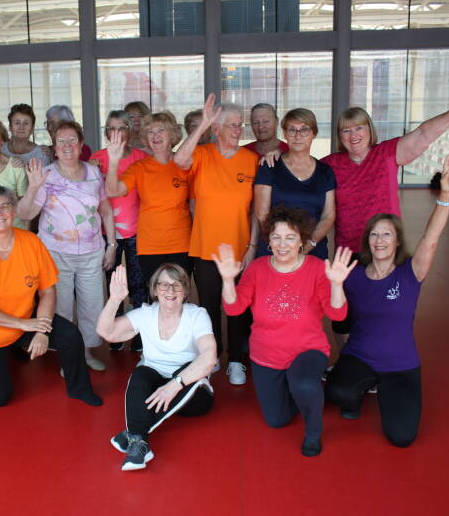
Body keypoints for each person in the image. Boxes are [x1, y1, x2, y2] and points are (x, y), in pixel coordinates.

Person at [325, 156, 449, 448]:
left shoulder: (410, 272)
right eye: (374, 235)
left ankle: (380, 386)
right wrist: (335, 283)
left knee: (402, 438)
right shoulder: (354, 275)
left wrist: (445, 197)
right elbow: (337, 315)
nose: (379, 240)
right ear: (367, 241)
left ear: (397, 241)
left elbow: (431, 238)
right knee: (336, 393)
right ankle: (360, 389)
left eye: (387, 234)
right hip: (360, 355)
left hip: (400, 364)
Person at [214, 206, 356, 456]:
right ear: (268, 241)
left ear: (301, 241)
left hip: (307, 350)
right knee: (276, 420)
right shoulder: (257, 268)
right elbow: (234, 309)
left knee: (304, 384)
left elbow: (337, 315)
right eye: (276, 237)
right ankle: (303, 393)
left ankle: (313, 430)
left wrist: (336, 285)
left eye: (290, 238)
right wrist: (227, 280)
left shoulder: (316, 268)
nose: (282, 245)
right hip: (266, 356)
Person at [0, 186, 102, 407]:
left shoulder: (32, 242)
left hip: (23, 317)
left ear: (14, 211)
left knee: (70, 335)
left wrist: (42, 330)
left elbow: (47, 291)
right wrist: (24, 325)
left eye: (5, 206)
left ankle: (79, 389)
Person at [322, 74, 449, 256]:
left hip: (386, 249)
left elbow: (423, 134)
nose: (353, 135)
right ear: (340, 136)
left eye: (359, 128)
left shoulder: (386, 153)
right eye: (346, 130)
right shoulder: (330, 164)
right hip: (348, 252)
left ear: (369, 129)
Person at [173, 94, 260, 385]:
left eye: (240, 124)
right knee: (209, 307)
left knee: (238, 308)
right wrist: (202, 126)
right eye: (232, 125)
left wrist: (252, 247)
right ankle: (211, 357)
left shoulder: (251, 160)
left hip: (239, 249)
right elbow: (179, 159)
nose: (238, 130)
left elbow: (255, 211)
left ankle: (236, 360)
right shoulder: (202, 154)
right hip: (205, 248)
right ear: (217, 128)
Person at [97, 264, 217, 471]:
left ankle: (133, 434)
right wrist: (114, 299)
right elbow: (106, 332)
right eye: (164, 285)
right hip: (157, 393)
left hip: (192, 397)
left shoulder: (197, 315)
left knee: (191, 371)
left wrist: (174, 385)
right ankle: (139, 444)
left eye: (177, 285)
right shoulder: (145, 314)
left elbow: (209, 358)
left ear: (185, 291)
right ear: (154, 290)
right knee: (140, 374)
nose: (170, 291)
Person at [18, 121, 117, 371]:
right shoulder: (46, 175)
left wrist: (112, 244)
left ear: (81, 144)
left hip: (91, 251)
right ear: (54, 147)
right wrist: (33, 187)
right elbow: (25, 213)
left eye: (72, 140)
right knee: (60, 308)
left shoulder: (94, 172)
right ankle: (68, 359)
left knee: (91, 306)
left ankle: (85, 354)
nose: (67, 145)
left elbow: (106, 210)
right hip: (55, 253)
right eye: (61, 141)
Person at [104, 111, 193, 283]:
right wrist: (113, 161)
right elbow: (112, 191)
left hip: (182, 243)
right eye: (150, 132)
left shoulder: (185, 163)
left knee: (179, 293)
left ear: (172, 134)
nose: (155, 136)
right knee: (155, 295)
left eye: (160, 130)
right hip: (150, 246)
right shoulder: (140, 167)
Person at [90, 110, 149, 351]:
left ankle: (138, 332)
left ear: (130, 131)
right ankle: (115, 330)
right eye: (112, 129)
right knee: (112, 283)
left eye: (122, 128)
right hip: (107, 232)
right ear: (106, 133)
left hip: (137, 229)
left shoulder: (141, 157)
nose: (117, 133)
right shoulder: (96, 159)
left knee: (138, 284)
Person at [254, 108, 335, 260]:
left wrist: (308, 244)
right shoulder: (269, 166)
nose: (298, 136)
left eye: (304, 130)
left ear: (314, 133)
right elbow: (261, 213)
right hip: (276, 251)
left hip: (313, 251)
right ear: (285, 134)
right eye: (292, 130)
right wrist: (284, 245)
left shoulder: (325, 172)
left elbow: (328, 215)